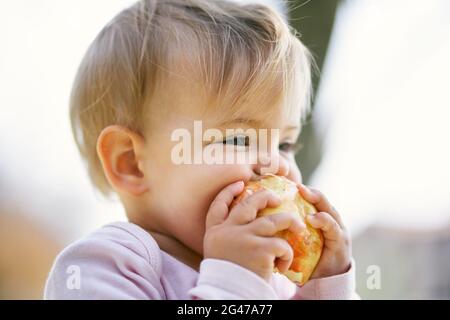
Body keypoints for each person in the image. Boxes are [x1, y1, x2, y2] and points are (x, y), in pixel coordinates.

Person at [45, 0, 357, 299]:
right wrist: (235, 281)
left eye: (284, 144)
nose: (276, 165)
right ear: (131, 163)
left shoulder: (273, 277)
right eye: (238, 140)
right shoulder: (103, 266)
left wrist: (326, 288)